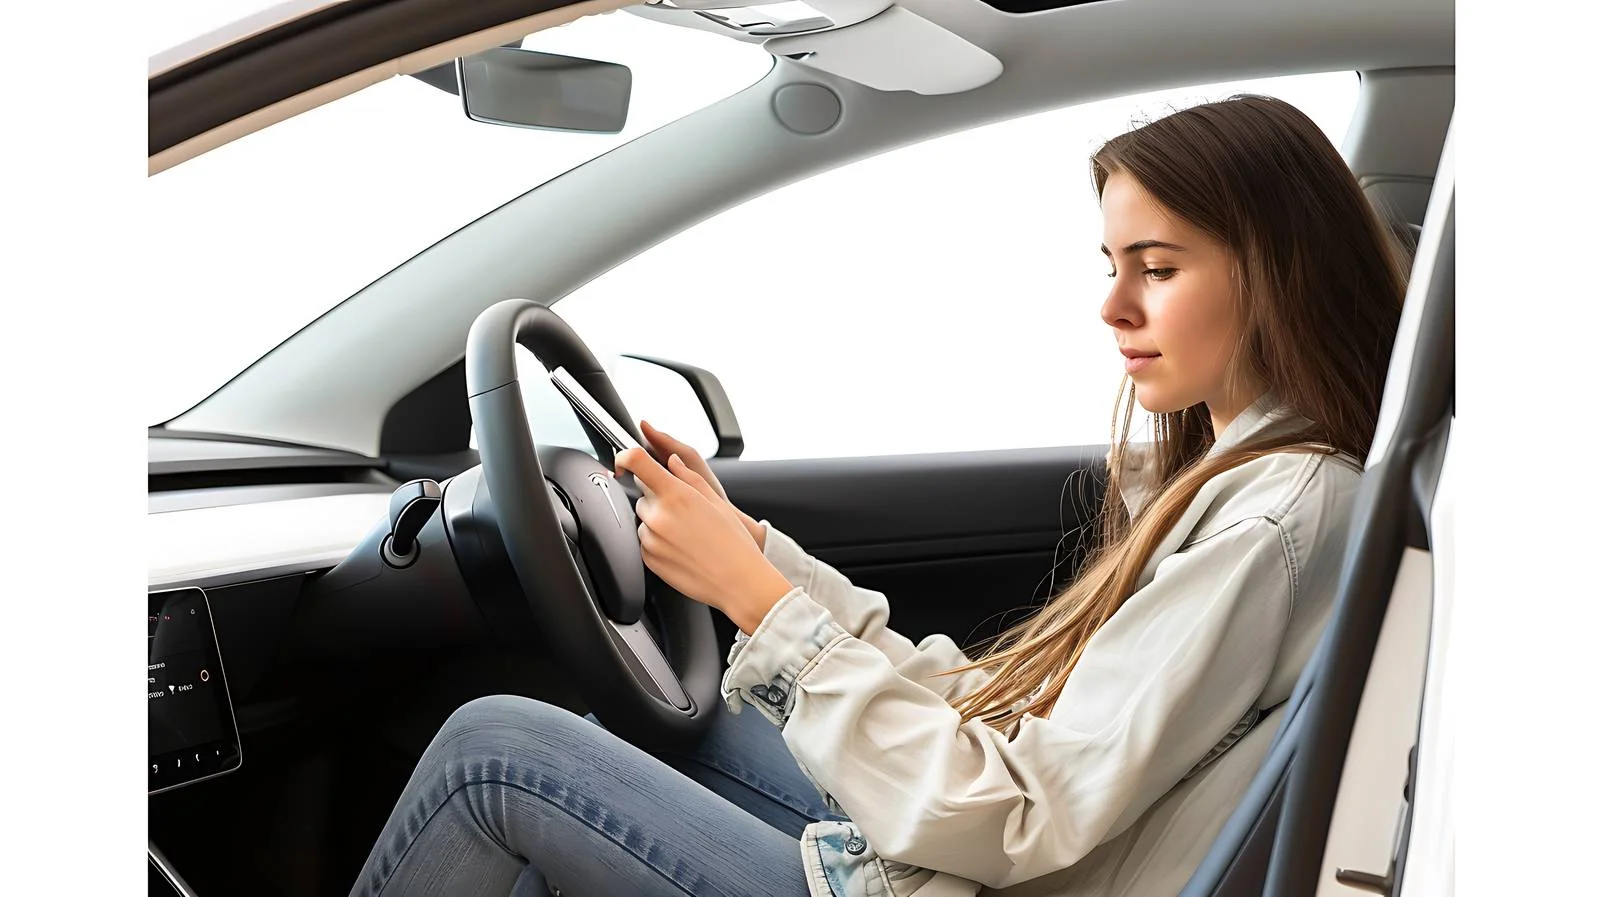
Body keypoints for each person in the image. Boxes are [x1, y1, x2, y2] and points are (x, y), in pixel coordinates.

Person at [348, 94, 1407, 897]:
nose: (1113, 306)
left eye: (1158, 269)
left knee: (495, 754)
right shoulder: (1250, 485)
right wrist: (754, 557)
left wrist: (761, 604)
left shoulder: (1274, 517)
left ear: (1278, 273)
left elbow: (1016, 810)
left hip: (990, 870)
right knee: (658, 730)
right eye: (1111, 265)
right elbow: (1000, 713)